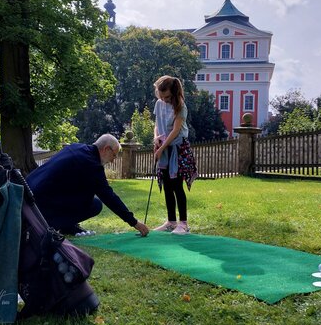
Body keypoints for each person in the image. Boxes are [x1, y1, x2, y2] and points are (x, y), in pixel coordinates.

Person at [26, 134, 149, 237]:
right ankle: (50, 225)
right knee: (95, 205)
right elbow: (109, 197)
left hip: (28, 193)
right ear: (106, 149)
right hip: (39, 207)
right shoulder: (92, 165)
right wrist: (134, 222)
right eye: (114, 155)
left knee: (87, 196)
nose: (113, 160)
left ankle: (67, 226)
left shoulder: (75, 147)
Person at [152, 75, 198, 235]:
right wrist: (156, 138)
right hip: (164, 147)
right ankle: (171, 222)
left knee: (177, 185)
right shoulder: (159, 104)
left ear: (174, 93)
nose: (164, 99)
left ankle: (183, 224)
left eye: (167, 97)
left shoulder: (180, 106)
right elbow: (157, 124)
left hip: (178, 148)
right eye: (161, 96)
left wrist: (161, 148)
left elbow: (176, 131)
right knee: (166, 186)